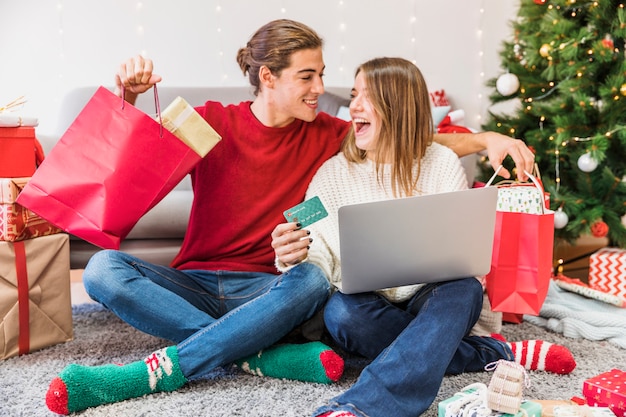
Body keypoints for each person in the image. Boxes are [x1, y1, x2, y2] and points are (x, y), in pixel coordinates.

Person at [45, 19, 535, 415]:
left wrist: (485, 140)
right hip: (195, 279)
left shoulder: (329, 135)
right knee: (102, 270)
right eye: (308, 76)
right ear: (268, 77)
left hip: (274, 291)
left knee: (316, 281)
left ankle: (168, 367)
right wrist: (127, 98)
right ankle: (258, 356)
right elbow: (133, 164)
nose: (321, 88)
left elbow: (404, 135)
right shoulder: (212, 121)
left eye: (322, 75)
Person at [271, 57, 576, 417]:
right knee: (341, 315)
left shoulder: (441, 162)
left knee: (463, 289)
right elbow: (318, 251)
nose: (352, 106)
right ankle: (491, 353)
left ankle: (363, 406)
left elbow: (461, 255)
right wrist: (292, 255)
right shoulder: (332, 173)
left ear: (398, 106)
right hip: (366, 304)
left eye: (366, 96)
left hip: (432, 295)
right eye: (353, 95)